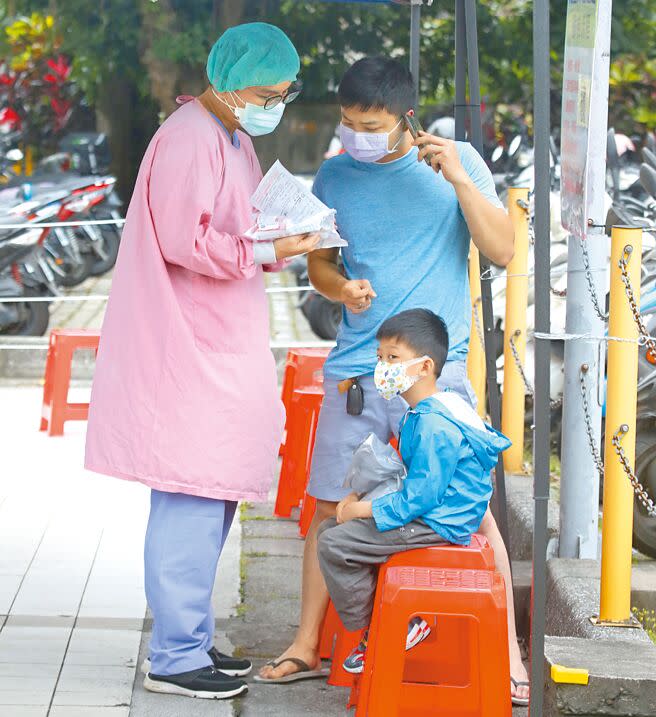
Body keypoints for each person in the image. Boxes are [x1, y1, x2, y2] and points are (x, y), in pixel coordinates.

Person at [258, 56, 529, 707]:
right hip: (358, 369)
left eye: (370, 125)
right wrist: (341, 287)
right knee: (327, 504)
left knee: (472, 511)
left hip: (436, 375)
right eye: (349, 123)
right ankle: (307, 642)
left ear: (405, 117)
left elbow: (503, 249)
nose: (357, 136)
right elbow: (320, 264)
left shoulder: (455, 162)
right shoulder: (336, 172)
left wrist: (461, 179)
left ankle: (511, 653)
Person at [85, 23, 319, 701]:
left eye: (284, 91)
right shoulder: (190, 139)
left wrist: (281, 233)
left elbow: (237, 224)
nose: (277, 100)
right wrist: (275, 251)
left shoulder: (235, 138)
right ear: (233, 81)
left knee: (211, 490)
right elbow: (192, 242)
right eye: (269, 91)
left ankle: (188, 636)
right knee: (189, 490)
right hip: (184, 343)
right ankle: (173, 654)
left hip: (217, 338)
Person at [317, 308, 511, 674]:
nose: (382, 367)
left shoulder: (433, 423)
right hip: (434, 512)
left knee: (334, 543)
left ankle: (383, 630)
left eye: (393, 358)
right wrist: (359, 496)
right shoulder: (431, 408)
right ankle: (389, 619)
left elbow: (421, 497)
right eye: (379, 358)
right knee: (333, 531)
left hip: (439, 521)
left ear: (424, 367)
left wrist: (364, 511)